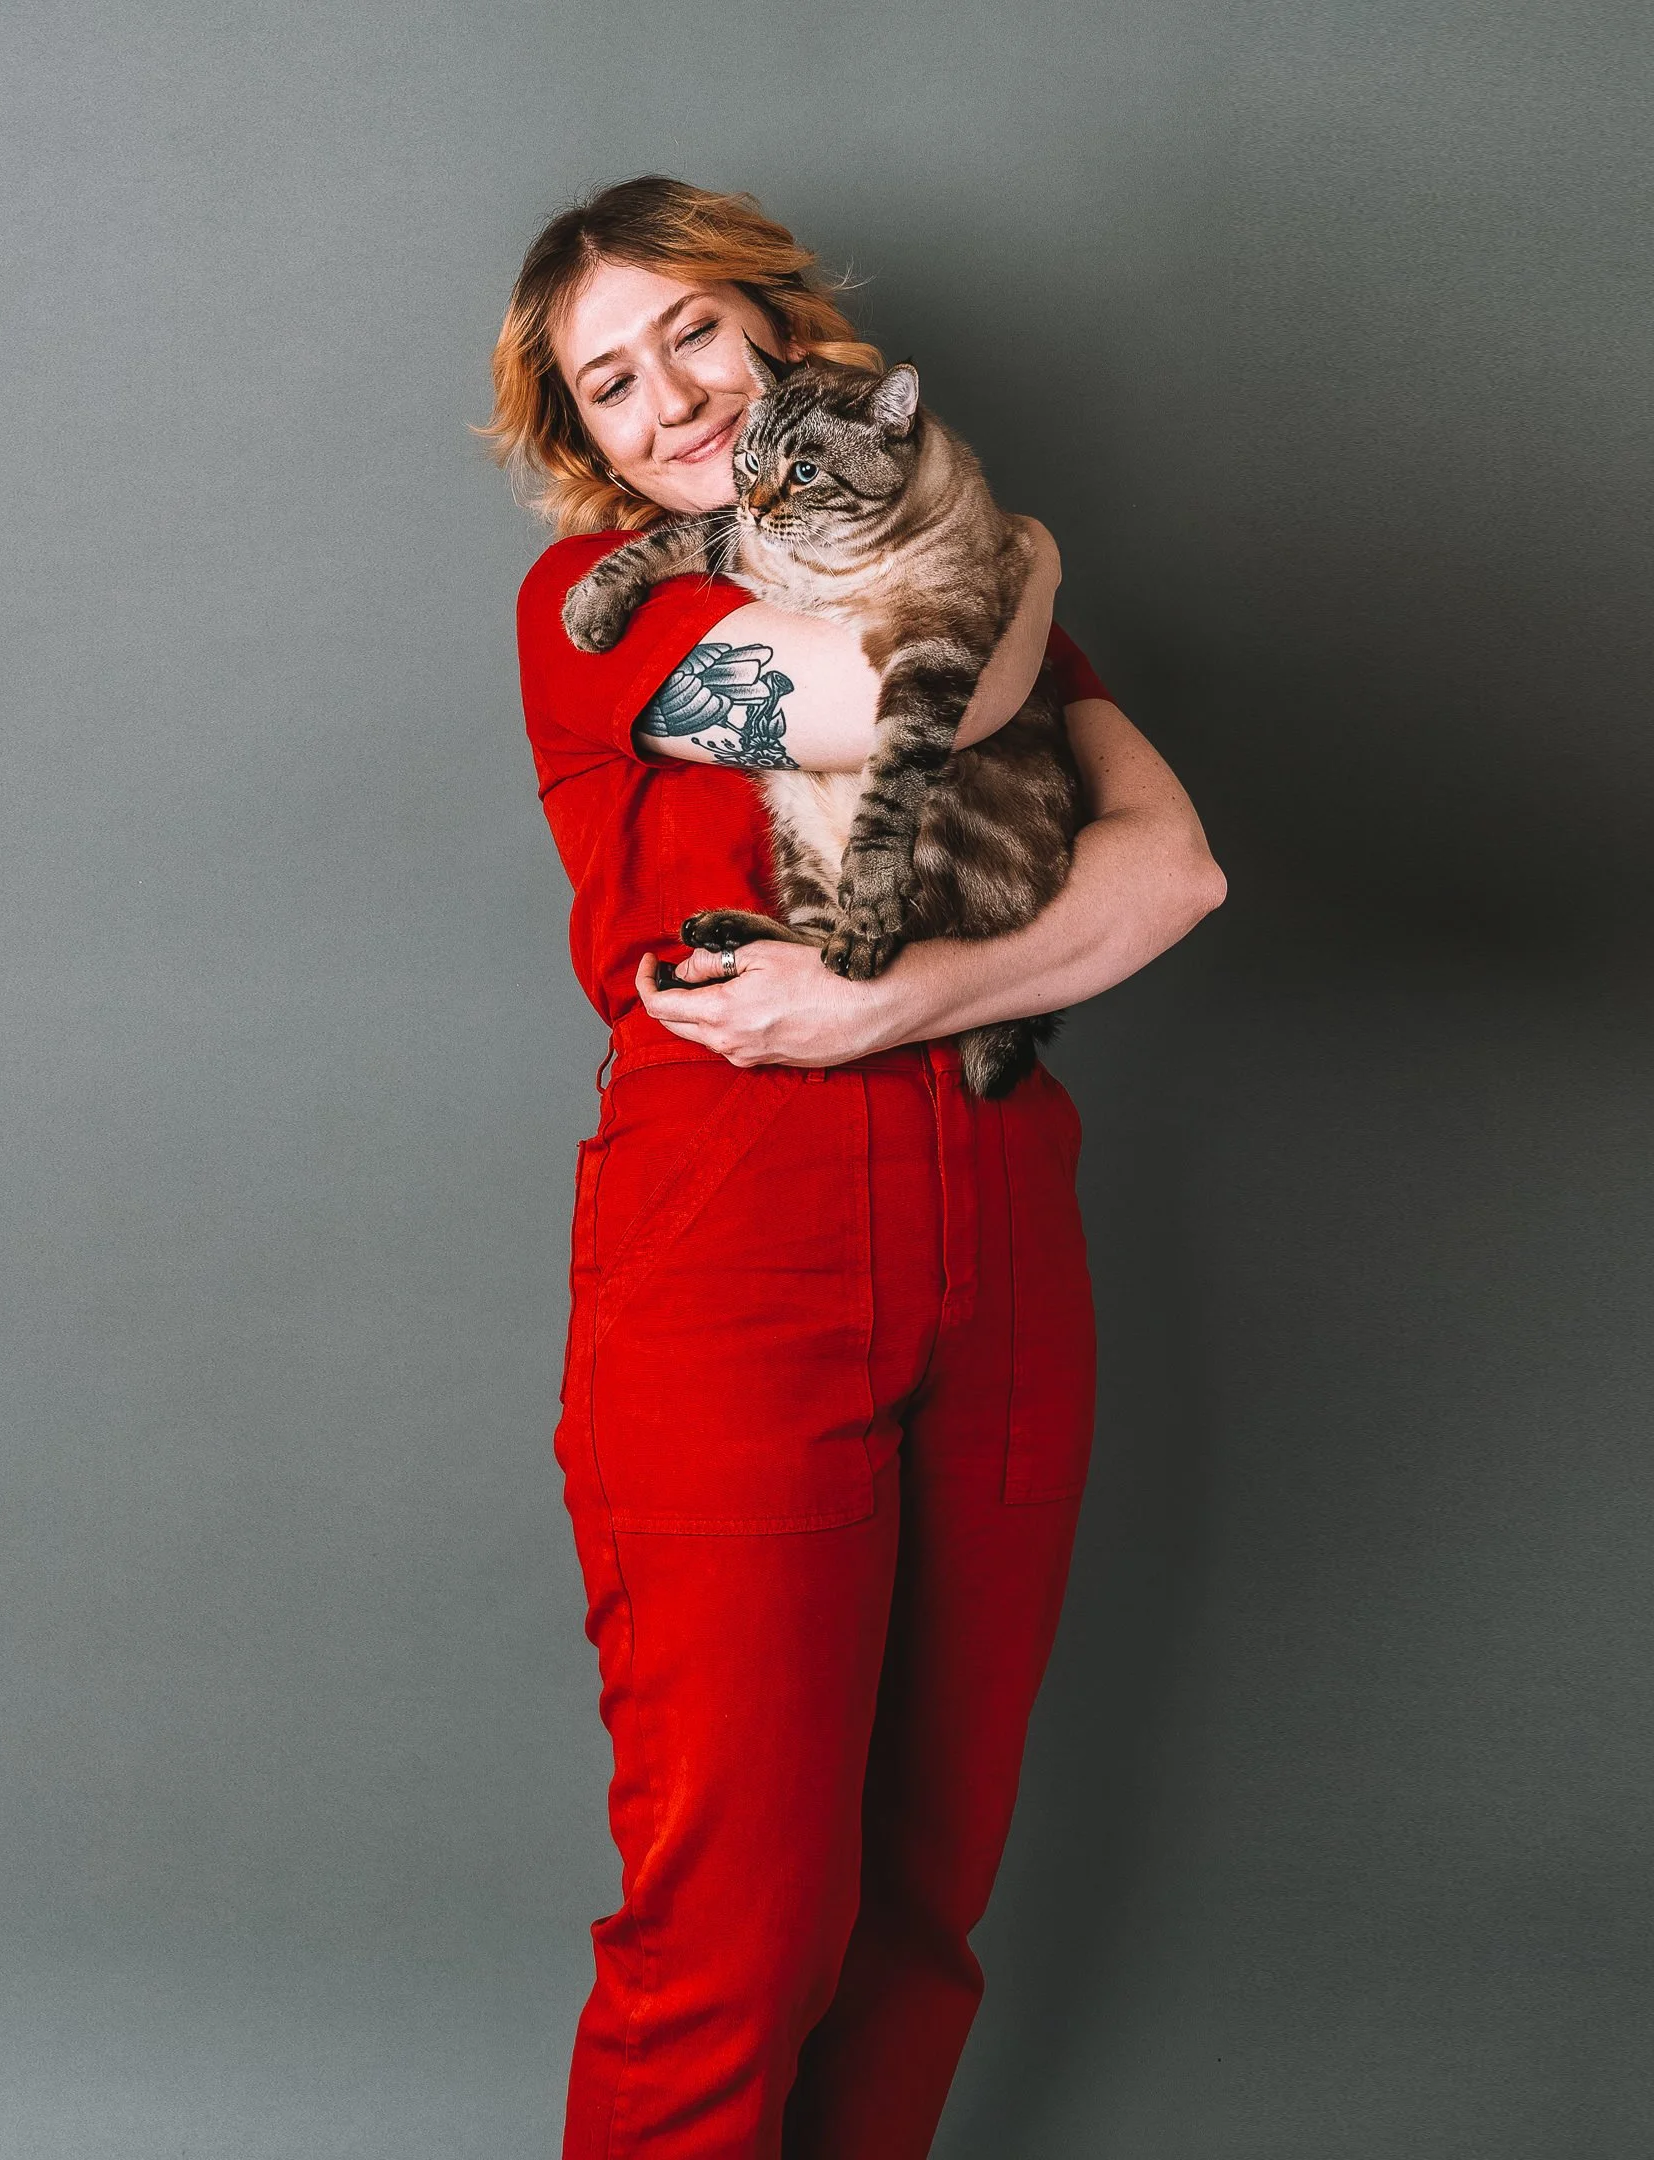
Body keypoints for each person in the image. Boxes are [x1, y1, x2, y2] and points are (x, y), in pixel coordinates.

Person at [488, 175, 1225, 2160]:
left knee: (921, 1909)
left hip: (999, 1237)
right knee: (734, 1930)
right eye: (609, 385)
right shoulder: (607, 621)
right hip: (734, 1262)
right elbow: (950, 685)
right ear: (589, 445)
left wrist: (900, 1000)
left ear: (779, 333)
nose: (666, 400)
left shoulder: (969, 577)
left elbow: (1178, 868)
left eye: (691, 337)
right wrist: (1029, 551)